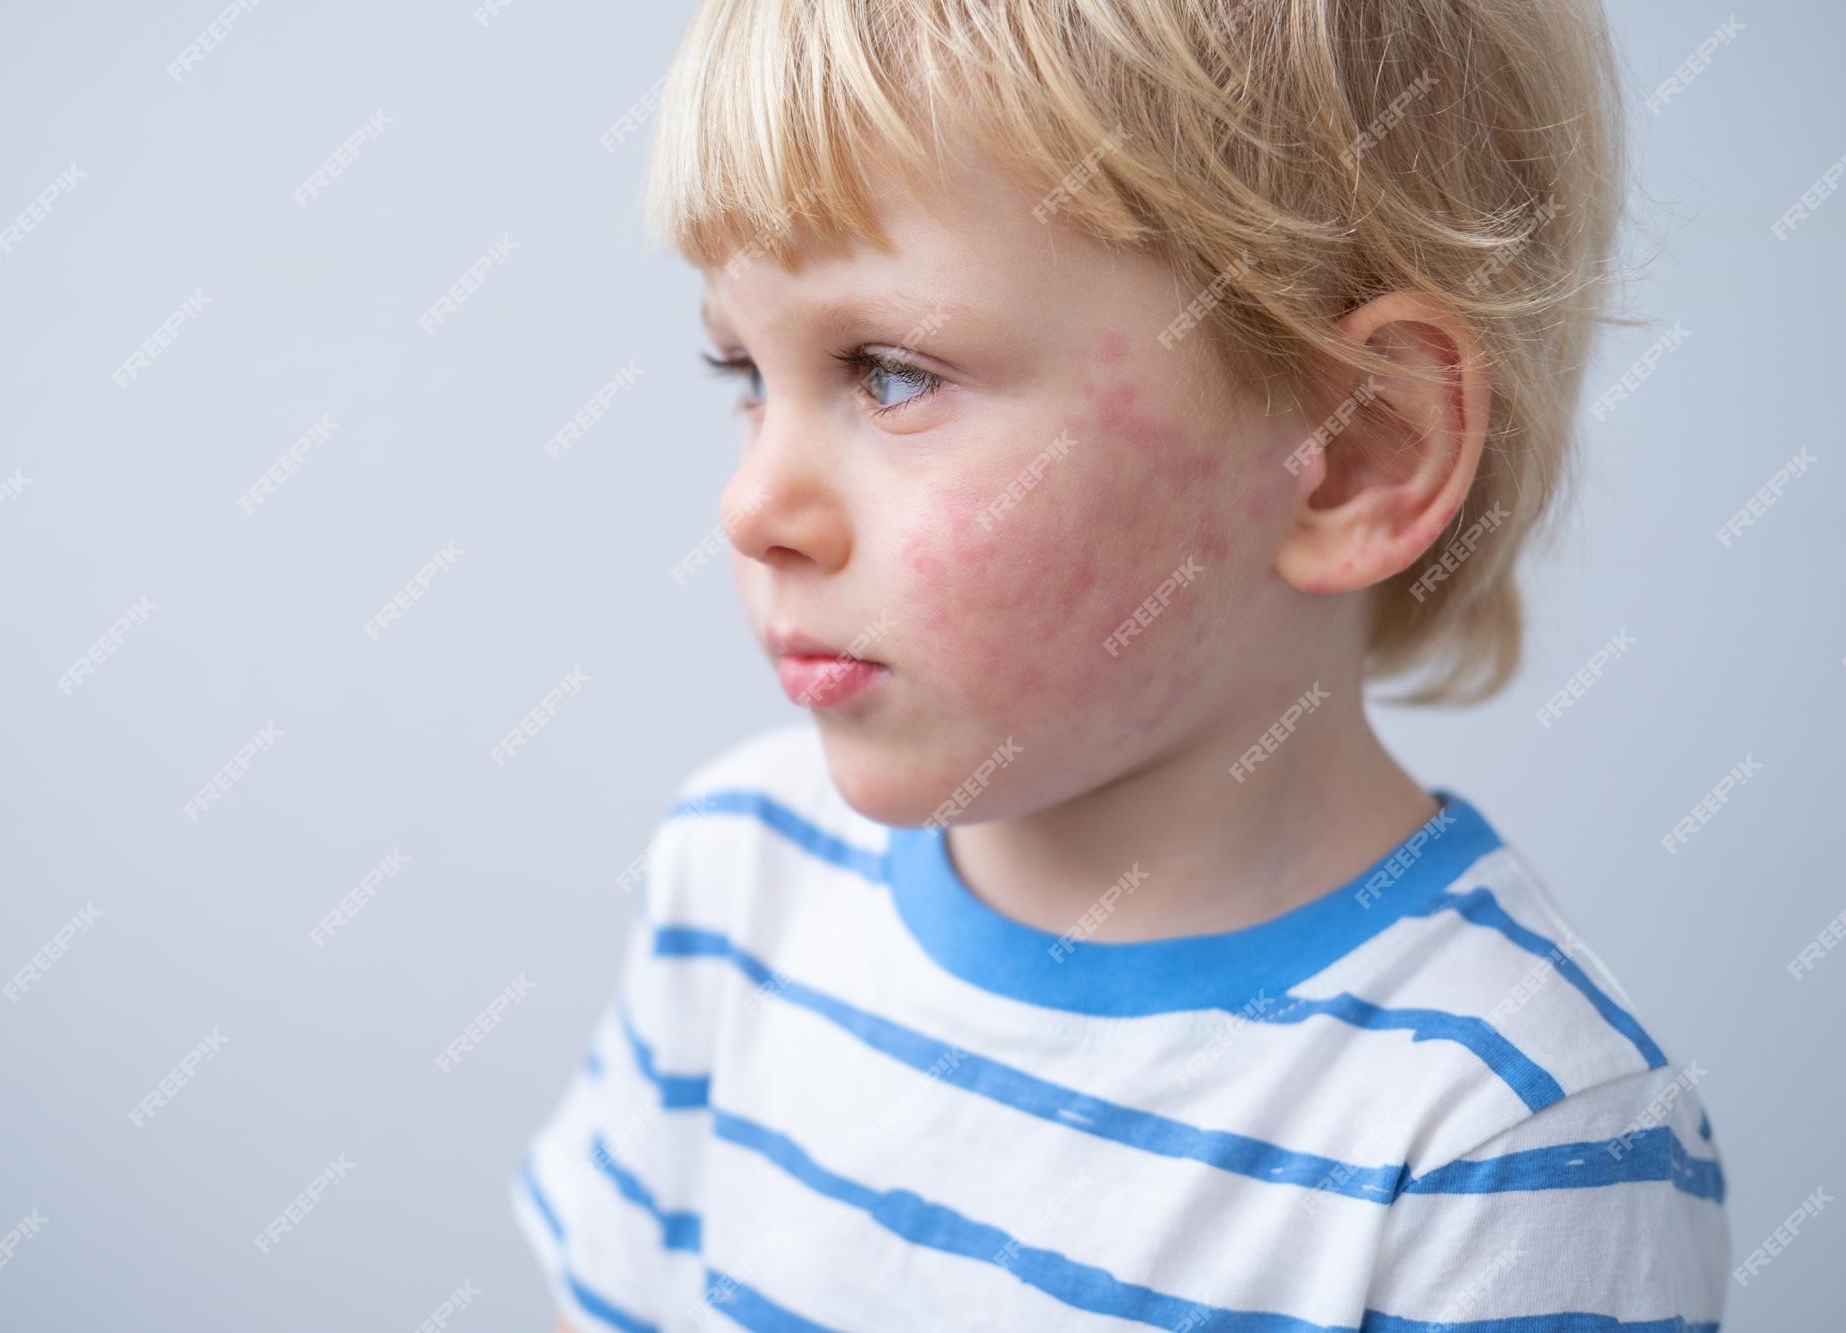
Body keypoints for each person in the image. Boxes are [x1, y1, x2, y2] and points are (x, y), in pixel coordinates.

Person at [518, 0, 1729, 1326]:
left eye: (892, 373)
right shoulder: (738, 876)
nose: (752, 505)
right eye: (742, 367)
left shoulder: (1503, 1133)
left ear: (1358, 451)